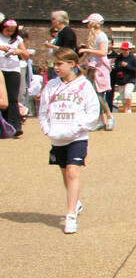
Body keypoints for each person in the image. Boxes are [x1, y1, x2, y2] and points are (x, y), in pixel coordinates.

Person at [40, 48, 100, 233]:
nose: (55, 67)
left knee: (73, 172)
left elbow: (93, 112)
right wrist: (47, 128)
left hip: (77, 137)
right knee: (65, 174)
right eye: (54, 64)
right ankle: (76, 202)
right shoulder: (51, 85)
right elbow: (43, 110)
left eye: (59, 64)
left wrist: (79, 127)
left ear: (72, 64)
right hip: (57, 137)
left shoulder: (84, 85)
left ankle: (70, 216)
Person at [78, 14, 115, 130]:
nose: (87, 25)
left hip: (99, 67)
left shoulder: (101, 36)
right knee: (91, 94)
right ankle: (101, 120)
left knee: (98, 94)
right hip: (92, 66)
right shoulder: (94, 36)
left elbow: (103, 52)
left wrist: (86, 49)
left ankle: (109, 116)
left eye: (88, 23)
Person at [0, 17, 30, 137]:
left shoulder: (18, 39)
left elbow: (26, 55)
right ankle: (3, 125)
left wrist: (19, 52)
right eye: (7, 30)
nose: (10, 33)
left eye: (12, 30)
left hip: (13, 70)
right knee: (2, 99)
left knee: (13, 98)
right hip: (0, 70)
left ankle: (15, 126)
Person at [112, 43, 136, 112]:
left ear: (129, 50)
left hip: (130, 80)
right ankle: (125, 109)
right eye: (123, 49)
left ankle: (129, 108)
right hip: (121, 80)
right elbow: (115, 67)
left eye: (126, 49)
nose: (124, 51)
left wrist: (127, 66)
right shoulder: (118, 58)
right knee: (122, 96)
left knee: (128, 93)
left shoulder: (132, 58)